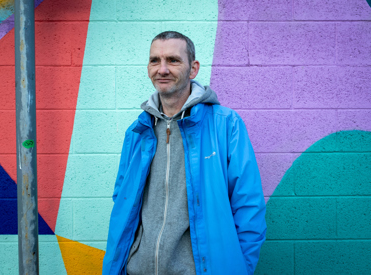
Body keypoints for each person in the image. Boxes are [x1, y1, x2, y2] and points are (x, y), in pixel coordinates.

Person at [103, 31, 266, 275]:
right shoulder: (137, 132)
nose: (163, 69)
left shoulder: (225, 124)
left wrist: (238, 266)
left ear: (193, 69)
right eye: (155, 60)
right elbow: (122, 199)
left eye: (173, 60)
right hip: (138, 269)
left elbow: (248, 205)